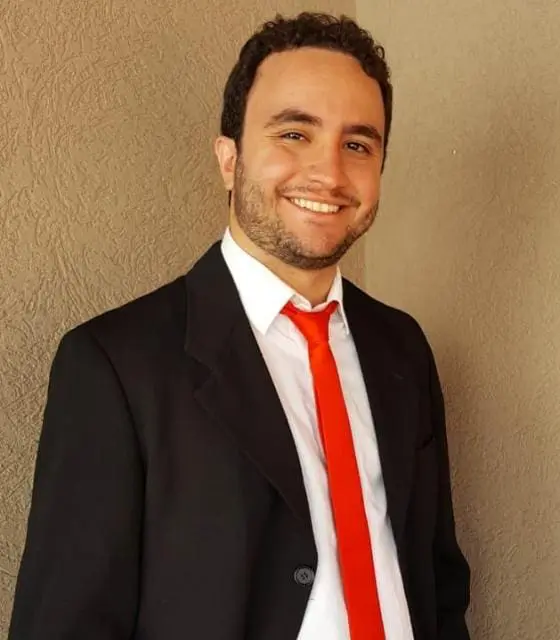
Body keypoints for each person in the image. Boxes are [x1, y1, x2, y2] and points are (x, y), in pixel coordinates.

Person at [9, 12, 470, 640]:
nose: (330, 173)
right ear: (230, 159)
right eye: (294, 133)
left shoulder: (403, 348)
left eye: (358, 144)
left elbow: (438, 582)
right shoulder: (116, 366)